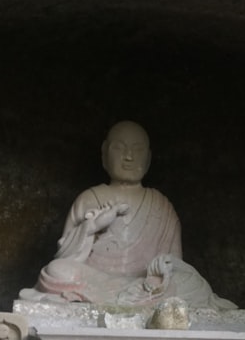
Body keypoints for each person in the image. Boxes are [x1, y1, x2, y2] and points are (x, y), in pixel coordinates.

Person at [20, 121, 185, 306]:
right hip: (96, 282)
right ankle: (120, 299)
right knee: (57, 269)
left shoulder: (162, 206)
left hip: (146, 284)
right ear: (104, 154)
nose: (129, 157)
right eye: (119, 148)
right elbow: (65, 258)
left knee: (186, 282)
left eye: (137, 150)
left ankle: (126, 298)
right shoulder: (88, 199)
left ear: (148, 159)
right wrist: (92, 227)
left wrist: (163, 269)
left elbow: (177, 266)